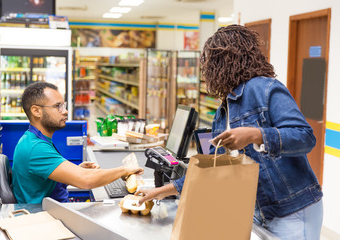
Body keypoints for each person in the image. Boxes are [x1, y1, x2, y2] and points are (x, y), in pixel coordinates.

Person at [136, 25, 323, 240]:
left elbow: (305, 137)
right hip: (257, 211)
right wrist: (160, 191)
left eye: (210, 62)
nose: (207, 70)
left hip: (291, 208)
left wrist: (256, 135)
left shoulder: (265, 89)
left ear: (226, 62)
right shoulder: (223, 112)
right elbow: (211, 171)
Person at [12, 82, 143, 204]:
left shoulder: (33, 139)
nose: (65, 111)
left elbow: (45, 180)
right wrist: (124, 170)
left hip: (53, 209)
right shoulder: (36, 148)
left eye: (64, 105)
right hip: (46, 218)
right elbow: (86, 180)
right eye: (58, 106)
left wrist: (76, 171)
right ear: (36, 111)